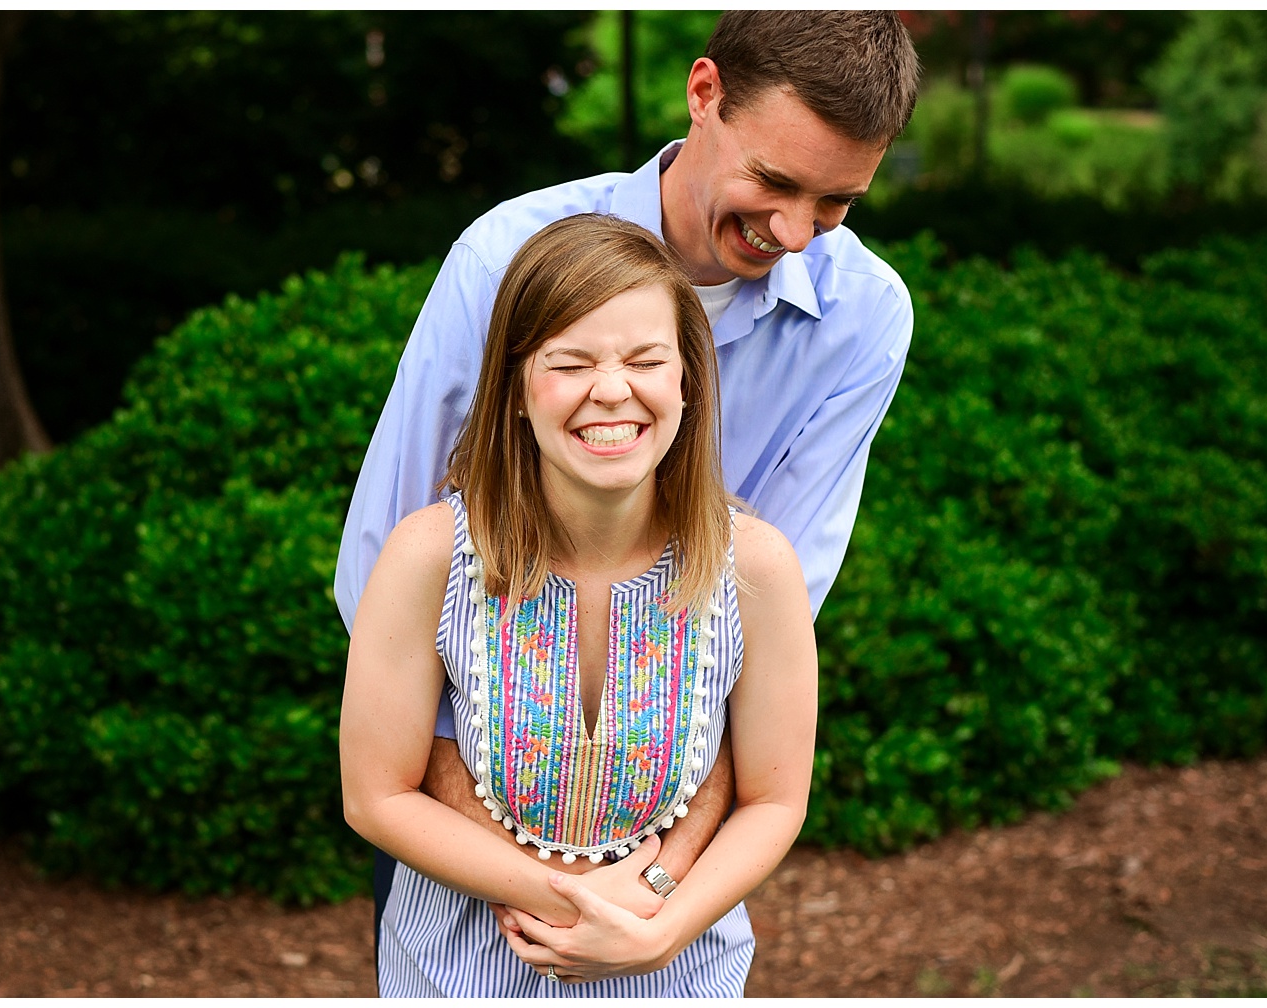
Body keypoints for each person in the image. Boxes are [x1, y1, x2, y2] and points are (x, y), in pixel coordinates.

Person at [335, 6, 919, 973]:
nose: (793, 231)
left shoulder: (862, 321)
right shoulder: (501, 260)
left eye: (836, 204)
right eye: (774, 181)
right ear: (704, 95)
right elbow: (389, 583)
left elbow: (760, 637)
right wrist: (539, 870)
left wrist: (654, 896)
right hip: (459, 821)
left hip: (675, 852)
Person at [340, 213, 817, 996]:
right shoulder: (429, 556)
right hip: (460, 969)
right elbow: (376, 794)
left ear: (686, 383)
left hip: (678, 967)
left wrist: (660, 924)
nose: (611, 390)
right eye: (570, 362)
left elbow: (775, 799)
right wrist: (573, 901)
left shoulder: (756, 568)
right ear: (518, 390)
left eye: (645, 360)